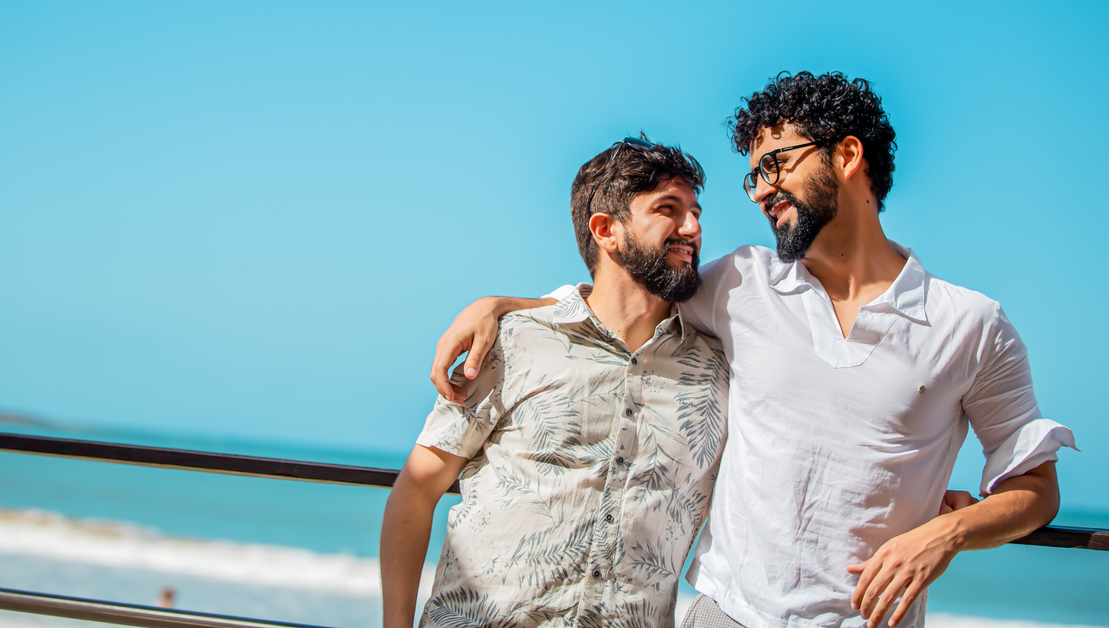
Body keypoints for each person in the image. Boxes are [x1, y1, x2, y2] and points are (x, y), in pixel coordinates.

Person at [429, 72, 1076, 628]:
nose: (762, 190)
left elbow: (1035, 490)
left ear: (847, 155)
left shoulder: (972, 324)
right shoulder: (740, 281)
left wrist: (950, 534)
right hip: (724, 614)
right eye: (752, 176)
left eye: (776, 165)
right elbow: (622, 300)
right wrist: (502, 306)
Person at [380, 138, 730, 628]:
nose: (692, 229)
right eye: (667, 210)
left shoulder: (721, 371)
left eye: (695, 212)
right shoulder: (513, 340)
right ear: (606, 230)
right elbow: (416, 493)